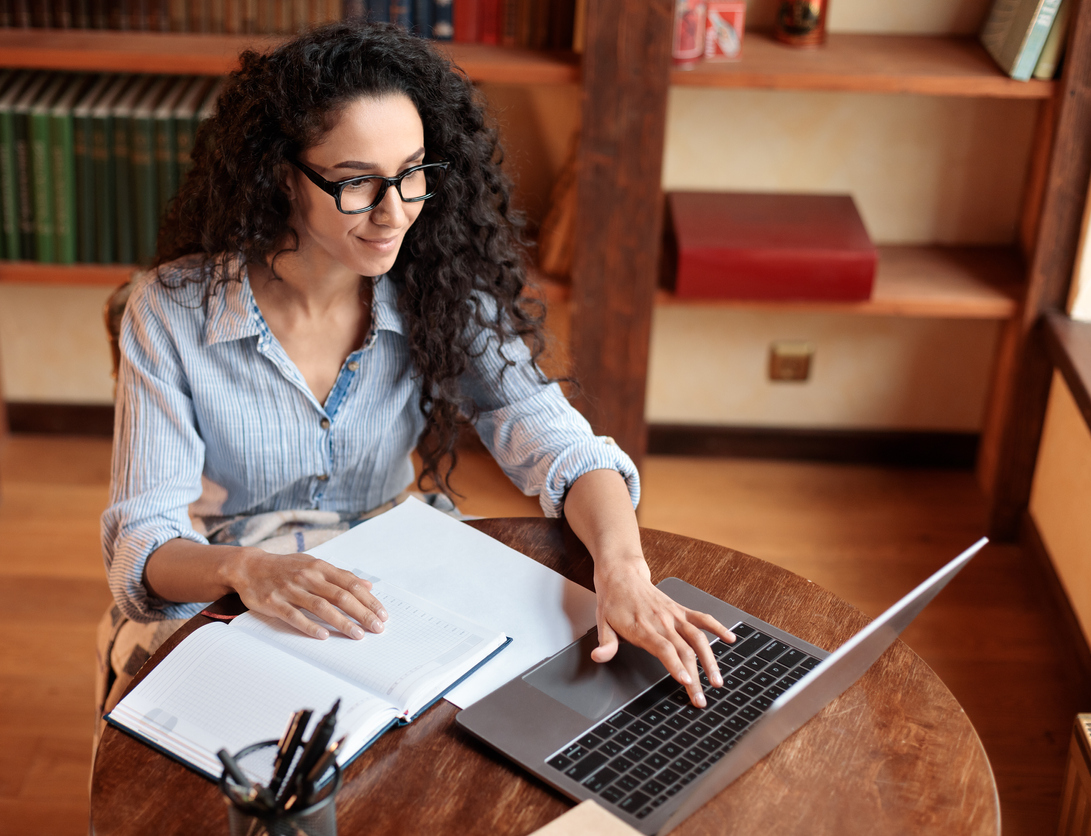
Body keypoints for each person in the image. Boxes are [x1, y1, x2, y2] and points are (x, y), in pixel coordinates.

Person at [98, 20, 733, 718]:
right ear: (284, 177)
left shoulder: (438, 286)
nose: (394, 212)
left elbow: (565, 446)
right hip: (233, 574)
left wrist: (624, 570)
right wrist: (247, 571)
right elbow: (145, 537)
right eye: (356, 183)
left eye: (412, 175)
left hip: (397, 557)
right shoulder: (172, 311)